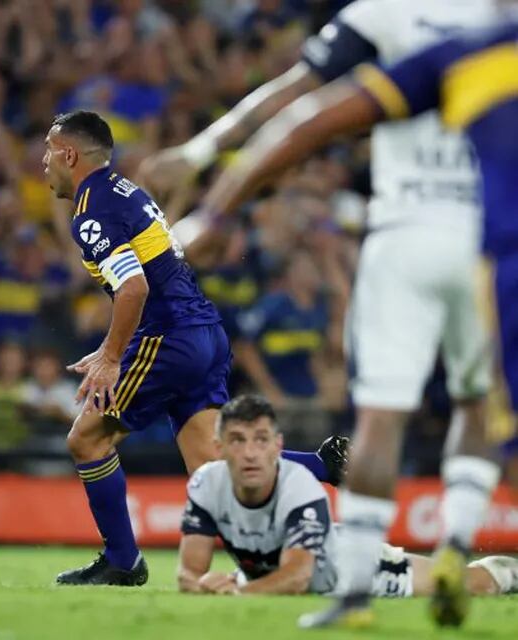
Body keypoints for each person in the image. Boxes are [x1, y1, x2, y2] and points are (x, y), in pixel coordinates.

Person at [183, 19, 518, 628]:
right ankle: (457, 545)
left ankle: (356, 592)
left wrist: (213, 209)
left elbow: (309, 117)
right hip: (484, 250)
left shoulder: (441, 52)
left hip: (401, 237)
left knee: (379, 420)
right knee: (477, 407)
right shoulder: (491, 41)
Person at [41, 111, 348, 587]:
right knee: (212, 464)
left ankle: (122, 560)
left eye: (48, 150)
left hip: (168, 337)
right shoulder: (125, 192)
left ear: (69, 154)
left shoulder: (91, 209)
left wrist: (110, 355)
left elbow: (133, 288)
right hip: (203, 331)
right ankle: (324, 464)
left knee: (87, 439)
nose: (44, 162)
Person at [178, 395, 517, 598]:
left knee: (463, 585)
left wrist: (237, 592)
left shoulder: (299, 486)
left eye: (261, 440)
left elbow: (299, 577)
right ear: (220, 448)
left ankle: (503, 570)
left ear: (277, 446)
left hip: (347, 569)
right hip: (268, 577)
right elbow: (188, 573)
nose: (250, 453)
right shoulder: (206, 483)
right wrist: (203, 584)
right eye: (238, 440)